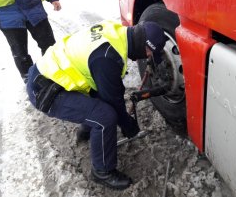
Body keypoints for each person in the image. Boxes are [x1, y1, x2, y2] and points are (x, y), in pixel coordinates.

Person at [26, 20, 167, 190]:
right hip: (45, 91)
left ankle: (86, 131)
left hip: (49, 74)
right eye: (149, 52)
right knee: (105, 117)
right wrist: (128, 125)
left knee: (101, 98)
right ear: (142, 45)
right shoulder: (107, 57)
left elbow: (108, 88)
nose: (148, 57)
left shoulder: (116, 34)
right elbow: (113, 101)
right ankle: (102, 172)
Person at [0, 0, 61, 83]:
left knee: (49, 45)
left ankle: (55, 73)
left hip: (32, 6)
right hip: (6, 13)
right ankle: (32, 83)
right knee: (20, 53)